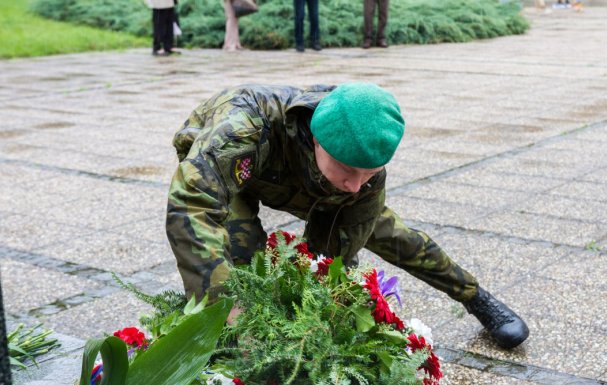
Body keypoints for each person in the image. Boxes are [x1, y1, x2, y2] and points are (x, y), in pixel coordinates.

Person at [166, 83, 530, 349]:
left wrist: (324, 300)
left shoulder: (361, 167)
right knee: (243, 254)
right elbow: (192, 205)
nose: (356, 186)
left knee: (392, 237)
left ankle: (476, 297)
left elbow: (337, 254)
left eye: (369, 174)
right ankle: (233, 336)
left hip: (307, 177)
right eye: (348, 171)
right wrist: (224, 302)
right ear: (317, 140)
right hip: (235, 173)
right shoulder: (242, 128)